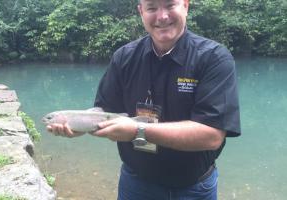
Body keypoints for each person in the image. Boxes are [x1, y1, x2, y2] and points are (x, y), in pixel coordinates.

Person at [47, 0, 241, 199]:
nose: (162, 16)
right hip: (136, 184)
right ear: (141, 11)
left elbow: (212, 135)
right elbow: (102, 114)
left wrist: (137, 130)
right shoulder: (124, 58)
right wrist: (77, 125)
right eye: (152, 8)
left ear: (186, 6)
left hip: (194, 188)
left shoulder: (214, 58)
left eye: (170, 5)